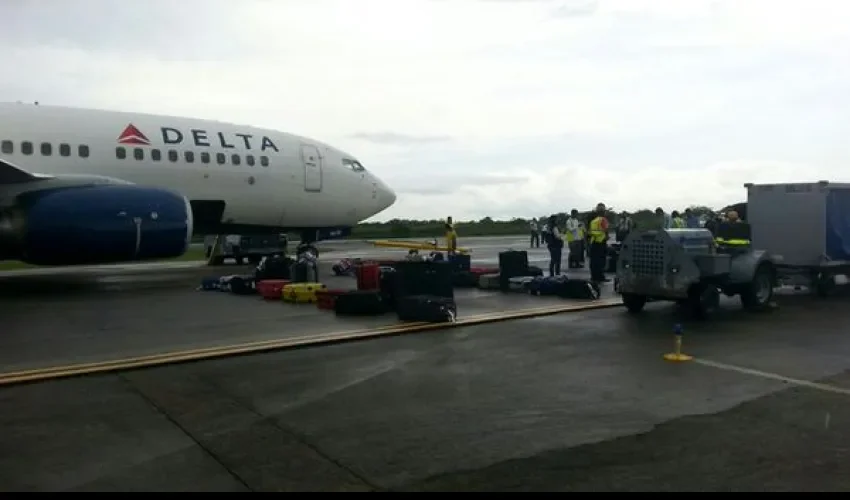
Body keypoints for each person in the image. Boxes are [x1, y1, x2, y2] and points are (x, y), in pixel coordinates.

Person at [588, 203, 610, 283]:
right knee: (601, 261)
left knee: (594, 261)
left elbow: (590, 232)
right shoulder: (603, 220)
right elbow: (605, 229)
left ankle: (594, 277)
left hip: (594, 242)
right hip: (601, 242)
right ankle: (600, 277)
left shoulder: (593, 220)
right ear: (603, 211)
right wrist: (606, 236)